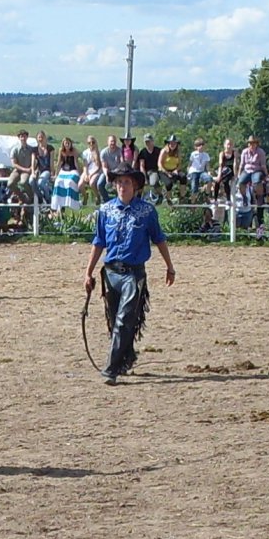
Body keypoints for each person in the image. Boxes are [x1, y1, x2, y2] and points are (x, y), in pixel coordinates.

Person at [83, 164, 176, 385]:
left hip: (134, 275)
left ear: (134, 185)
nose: (122, 186)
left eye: (126, 182)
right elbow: (98, 242)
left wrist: (169, 266)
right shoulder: (105, 211)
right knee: (116, 320)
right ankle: (127, 355)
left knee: (124, 320)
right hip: (112, 274)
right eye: (119, 182)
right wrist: (88, 273)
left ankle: (110, 369)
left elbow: (159, 239)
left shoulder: (147, 212)